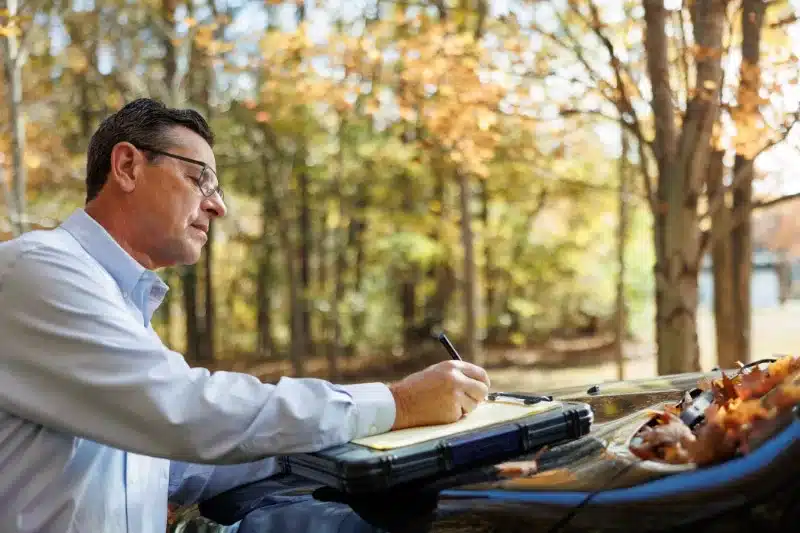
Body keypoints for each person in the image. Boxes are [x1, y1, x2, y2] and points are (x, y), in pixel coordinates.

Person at [0, 98, 491, 533]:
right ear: (127, 166)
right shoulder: (36, 269)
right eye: (200, 179)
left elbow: (178, 464)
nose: (220, 206)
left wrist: (357, 450)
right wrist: (397, 404)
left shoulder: (121, 302)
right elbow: (187, 412)